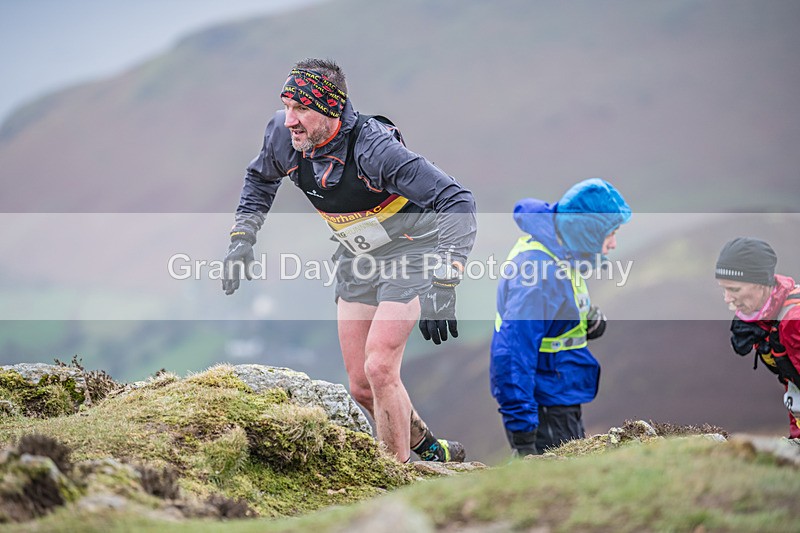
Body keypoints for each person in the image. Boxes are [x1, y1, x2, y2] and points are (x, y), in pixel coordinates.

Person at [220, 58, 477, 462]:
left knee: (379, 368)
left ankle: (394, 478)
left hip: (412, 251)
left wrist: (446, 280)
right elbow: (259, 178)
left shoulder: (376, 151)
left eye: (301, 108)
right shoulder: (284, 137)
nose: (290, 120)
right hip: (358, 256)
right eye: (286, 106)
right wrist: (242, 237)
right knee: (360, 384)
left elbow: (457, 201)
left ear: (331, 109)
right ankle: (429, 449)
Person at [490, 178, 631, 457]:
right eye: (610, 233)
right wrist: (524, 434)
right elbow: (512, 355)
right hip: (543, 408)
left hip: (555, 393)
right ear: (588, 232)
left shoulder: (558, 247)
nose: (613, 244)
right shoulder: (538, 277)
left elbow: (554, 309)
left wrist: (585, 319)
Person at [715, 237, 800, 439]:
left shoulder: (792, 322)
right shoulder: (770, 319)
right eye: (724, 289)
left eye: (734, 289)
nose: (727, 298)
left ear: (761, 283)